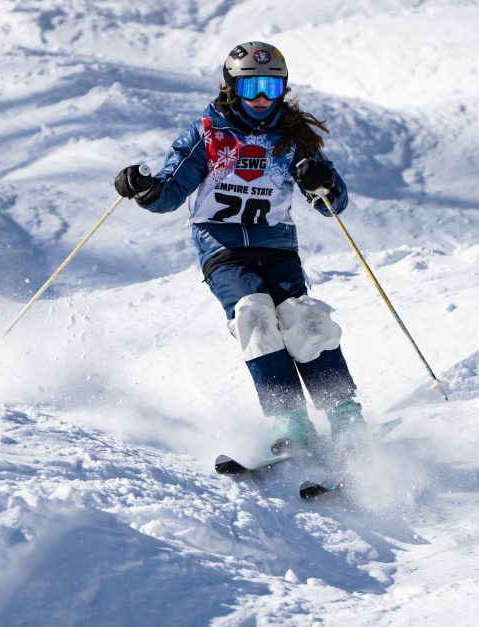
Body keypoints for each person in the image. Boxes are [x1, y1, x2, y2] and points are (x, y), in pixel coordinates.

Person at [114, 40, 365, 455]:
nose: (263, 98)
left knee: (300, 319)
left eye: (271, 86)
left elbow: (332, 204)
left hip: (277, 243)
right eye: (251, 88)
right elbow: (171, 192)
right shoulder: (207, 133)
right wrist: (145, 188)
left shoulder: (294, 137)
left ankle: (344, 417)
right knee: (254, 314)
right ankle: (290, 420)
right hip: (221, 244)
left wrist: (323, 182)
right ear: (231, 88)